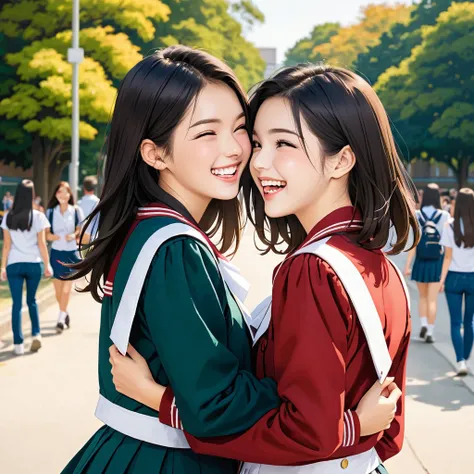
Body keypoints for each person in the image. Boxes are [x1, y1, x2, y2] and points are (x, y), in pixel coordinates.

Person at [61, 48, 396, 474]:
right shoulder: (174, 247)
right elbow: (220, 404)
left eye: (240, 129)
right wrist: (343, 424)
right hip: (167, 459)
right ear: (155, 153)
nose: (239, 151)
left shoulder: (153, 230)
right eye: (206, 133)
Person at [0, 180, 52, 355]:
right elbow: (42, 244)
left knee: (16, 303)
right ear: (31, 195)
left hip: (14, 264)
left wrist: (2, 267)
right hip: (33, 263)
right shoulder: (38, 217)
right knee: (32, 300)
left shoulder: (8, 216)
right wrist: (48, 265)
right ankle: (36, 334)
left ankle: (18, 344)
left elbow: (6, 246)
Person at [404, 183, 450, 343]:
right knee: (432, 299)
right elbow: (445, 243)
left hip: (421, 261)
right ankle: (430, 331)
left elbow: (414, 243)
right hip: (437, 262)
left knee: (422, 297)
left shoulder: (417, 215)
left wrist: (407, 265)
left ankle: (423, 324)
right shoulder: (444, 215)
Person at [439, 188, 474, 376]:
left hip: (453, 277)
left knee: (455, 322)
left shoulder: (450, 226)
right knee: (470, 321)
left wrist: (441, 281)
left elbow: (447, 257)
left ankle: (460, 360)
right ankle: (466, 359)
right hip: (473, 277)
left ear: (457, 203)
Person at [45, 181, 84, 334]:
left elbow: (79, 230)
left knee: (67, 288)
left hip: (71, 253)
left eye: (65, 192)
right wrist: (52, 236)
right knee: (58, 290)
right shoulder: (50, 212)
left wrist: (73, 235)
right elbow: (46, 234)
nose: (63, 195)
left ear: (70, 195)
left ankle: (60, 319)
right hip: (56, 252)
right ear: (56, 194)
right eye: (60, 192)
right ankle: (65, 312)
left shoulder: (76, 211)